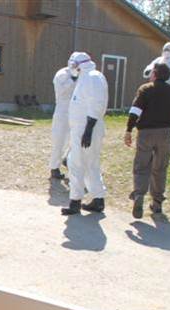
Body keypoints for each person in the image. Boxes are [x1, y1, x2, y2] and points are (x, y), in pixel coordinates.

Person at [124, 63, 170, 218]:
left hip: (145, 133)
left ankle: (139, 194)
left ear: (154, 74)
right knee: (160, 167)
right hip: (164, 133)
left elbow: (135, 111)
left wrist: (129, 129)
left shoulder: (145, 89)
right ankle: (157, 202)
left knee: (142, 166)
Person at [61, 52, 109, 216]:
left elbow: (96, 104)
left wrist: (88, 130)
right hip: (84, 128)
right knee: (90, 164)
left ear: (79, 65)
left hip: (86, 128)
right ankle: (98, 199)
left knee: (75, 163)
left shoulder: (92, 77)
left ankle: (75, 201)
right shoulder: (87, 77)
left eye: (73, 65)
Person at [49, 57, 78, 180]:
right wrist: (72, 80)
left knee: (76, 140)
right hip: (62, 111)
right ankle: (54, 168)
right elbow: (61, 91)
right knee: (59, 140)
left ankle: (67, 159)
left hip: (76, 111)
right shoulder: (62, 74)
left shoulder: (81, 75)